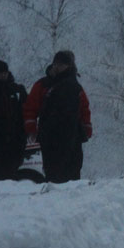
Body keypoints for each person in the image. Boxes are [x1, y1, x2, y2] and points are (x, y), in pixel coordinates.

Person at [23, 51, 92, 183]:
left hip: (73, 135)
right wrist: (31, 127)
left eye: (62, 65)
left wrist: (87, 127)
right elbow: (31, 107)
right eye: (56, 64)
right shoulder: (43, 84)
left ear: (69, 66)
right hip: (50, 135)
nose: (58, 67)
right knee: (53, 171)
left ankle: (73, 193)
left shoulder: (76, 86)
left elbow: (84, 108)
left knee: (73, 171)